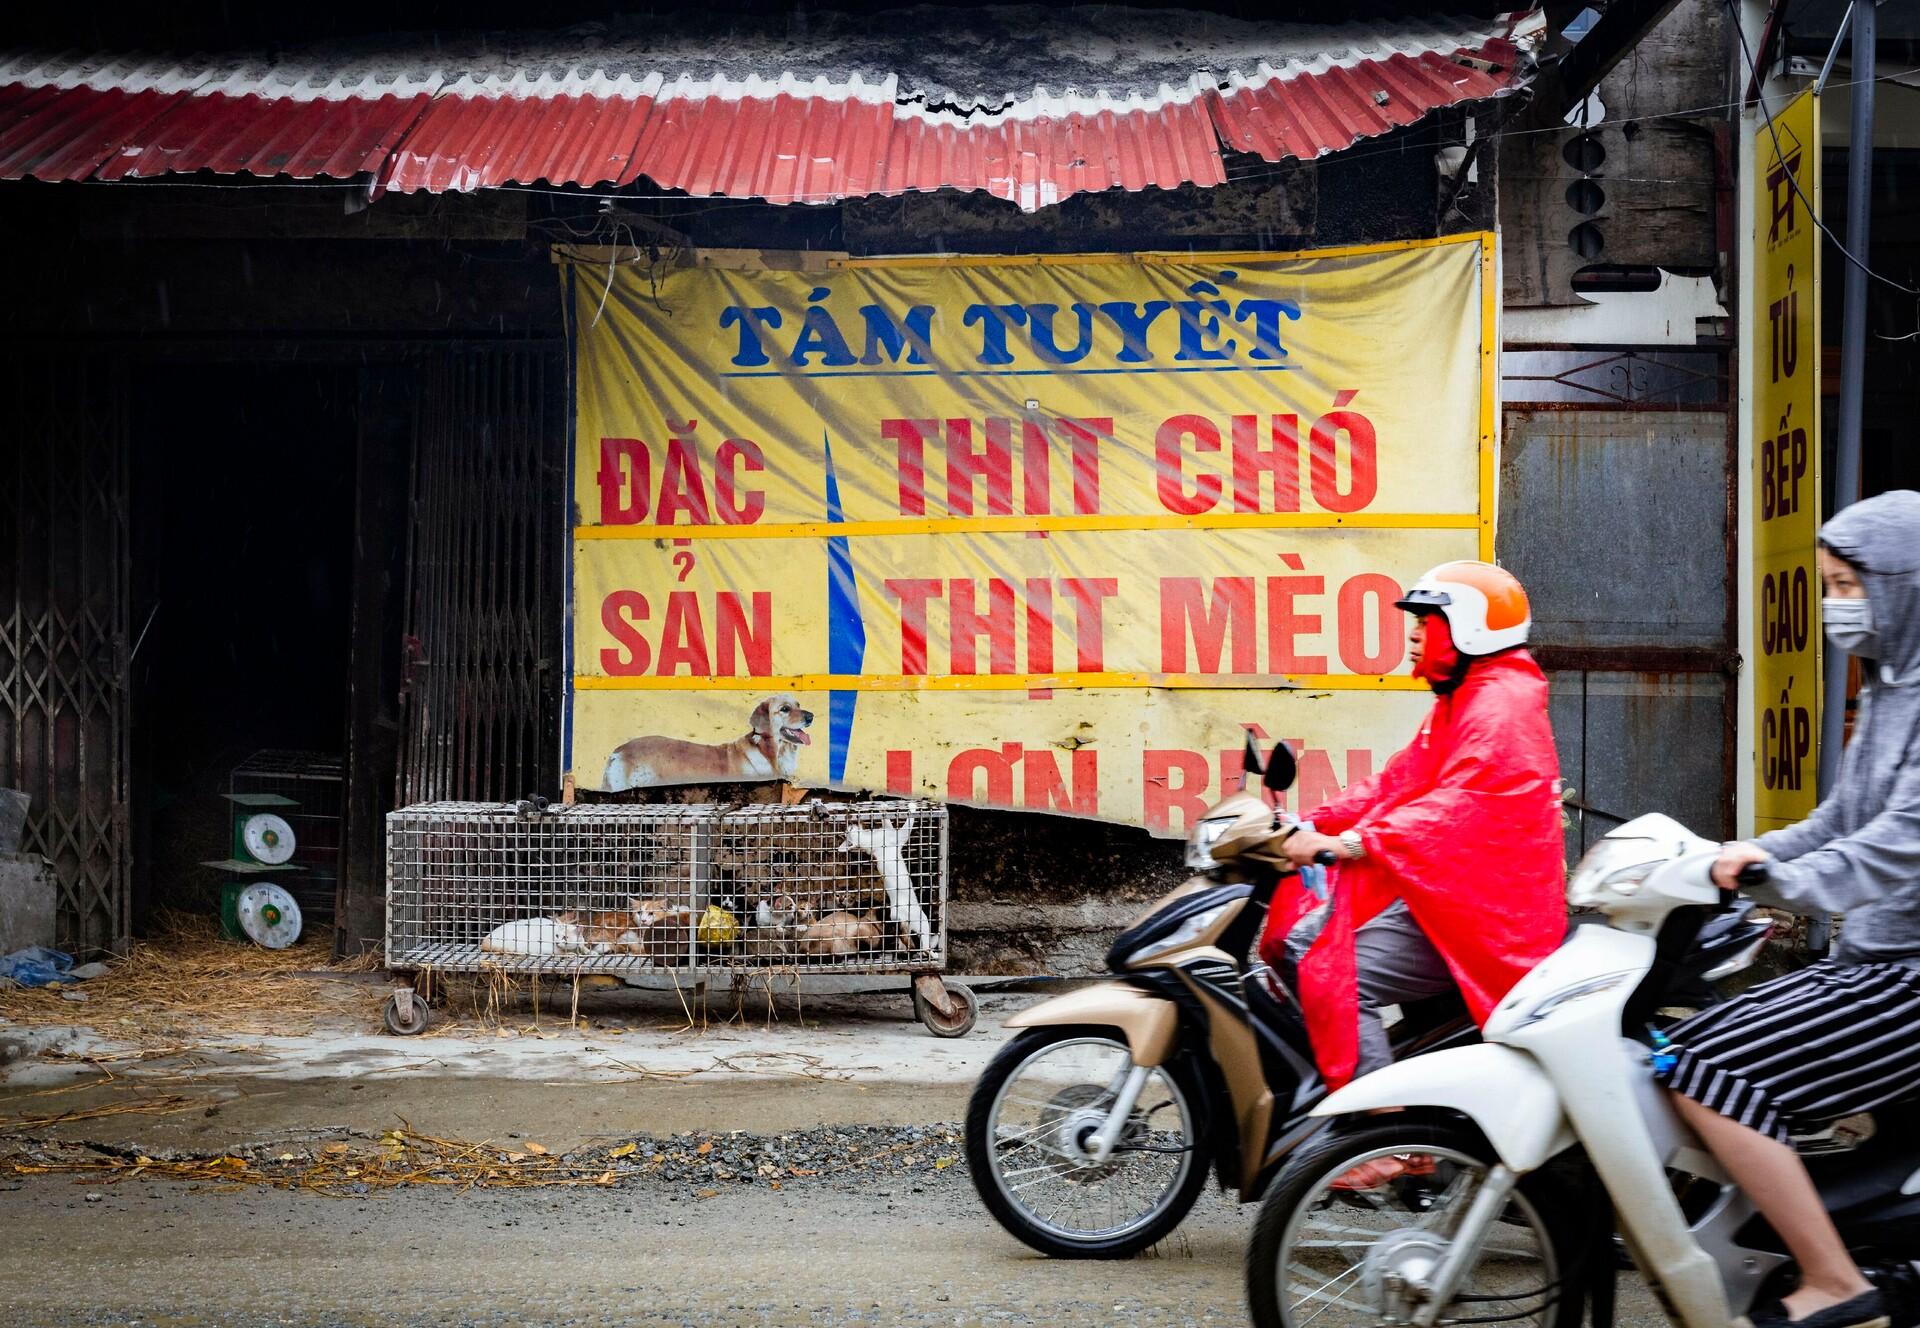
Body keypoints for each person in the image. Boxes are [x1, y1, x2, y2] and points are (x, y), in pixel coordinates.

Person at [1663, 489, 1920, 1328]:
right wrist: (1740, 854)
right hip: (1869, 959)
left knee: (1708, 1074)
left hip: (1905, 981)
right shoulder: (1890, 686)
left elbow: (1897, 845)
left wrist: (1784, 882)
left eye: (1850, 584)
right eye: (1830, 584)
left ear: (1903, 583)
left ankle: (1836, 1283)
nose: (1835, 603)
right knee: (1681, 1045)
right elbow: (1843, 820)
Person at [1258, 561, 1567, 1122]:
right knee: (1315, 941)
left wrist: (1350, 844)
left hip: (1484, 916)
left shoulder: (1500, 707)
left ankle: (1382, 1135)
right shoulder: (1464, 698)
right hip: (1448, 898)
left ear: (1470, 629)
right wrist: (1312, 822)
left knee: (1327, 959)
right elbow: (1397, 784)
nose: (1416, 632)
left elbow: (1457, 808)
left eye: (1430, 619)